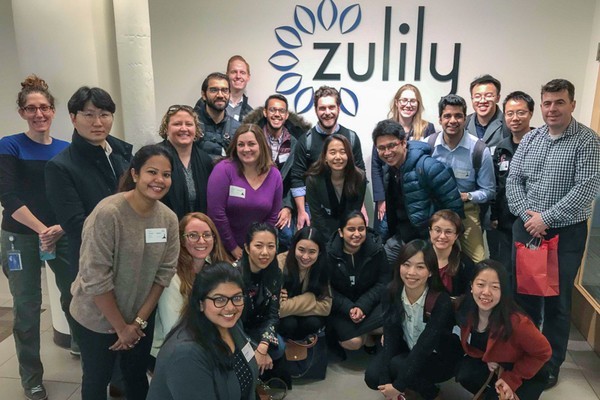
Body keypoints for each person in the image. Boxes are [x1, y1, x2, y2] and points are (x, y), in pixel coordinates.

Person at [506, 79, 600, 388]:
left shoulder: (587, 141)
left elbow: (586, 188)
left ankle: (551, 362)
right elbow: (514, 180)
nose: (552, 109)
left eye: (559, 102)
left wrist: (546, 218)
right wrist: (527, 216)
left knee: (558, 302)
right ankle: (526, 351)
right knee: (524, 296)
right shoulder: (532, 139)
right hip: (527, 227)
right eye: (547, 103)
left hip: (565, 232)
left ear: (572, 104)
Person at [69, 145, 180, 400]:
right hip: (97, 317)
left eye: (166, 174)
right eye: (152, 172)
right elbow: (95, 277)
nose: (159, 180)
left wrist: (138, 322)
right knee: (97, 380)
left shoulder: (169, 219)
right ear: (135, 174)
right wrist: (121, 327)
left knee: (136, 376)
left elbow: (164, 273)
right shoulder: (108, 213)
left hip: (139, 317)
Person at [0, 75, 70, 400]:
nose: (38, 114)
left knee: (78, 296)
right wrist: (41, 228)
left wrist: (60, 229)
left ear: (53, 110)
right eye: (31, 108)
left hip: (60, 236)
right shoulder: (9, 145)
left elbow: (74, 198)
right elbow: (8, 197)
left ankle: (87, 348)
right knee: (27, 309)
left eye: (44, 107)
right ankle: (32, 378)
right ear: (22, 112)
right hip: (20, 238)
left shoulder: (66, 150)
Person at [364, 240, 462, 400]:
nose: (411, 272)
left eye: (420, 267)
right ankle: (409, 385)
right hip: (407, 348)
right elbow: (390, 336)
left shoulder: (440, 300)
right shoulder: (391, 292)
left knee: (397, 366)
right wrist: (385, 382)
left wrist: (397, 386)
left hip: (438, 357)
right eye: (406, 265)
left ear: (431, 271)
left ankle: (433, 394)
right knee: (373, 376)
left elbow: (424, 347)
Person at [148, 263, 258, 400]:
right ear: (200, 303)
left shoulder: (232, 326)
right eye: (220, 300)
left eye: (237, 298)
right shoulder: (185, 354)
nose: (230, 307)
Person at [371, 119, 463, 268]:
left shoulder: (428, 166)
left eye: (391, 145)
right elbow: (392, 211)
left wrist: (444, 242)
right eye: (381, 148)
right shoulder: (388, 170)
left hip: (430, 239)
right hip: (402, 237)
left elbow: (454, 209)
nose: (387, 152)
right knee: (381, 264)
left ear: (403, 143)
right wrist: (379, 240)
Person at [456, 260, 552, 400]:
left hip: (524, 372)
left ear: (503, 291)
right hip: (495, 366)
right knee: (464, 373)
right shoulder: (466, 310)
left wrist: (512, 379)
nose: (486, 292)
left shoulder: (517, 322)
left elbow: (544, 352)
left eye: (495, 287)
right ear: (471, 286)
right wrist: (488, 357)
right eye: (480, 285)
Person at [151, 212, 231, 362]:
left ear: (214, 238)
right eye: (193, 235)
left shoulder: (218, 268)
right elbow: (173, 328)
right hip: (176, 349)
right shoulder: (171, 276)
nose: (201, 241)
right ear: (181, 240)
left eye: (207, 235)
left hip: (209, 342)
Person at [430, 94, 495, 263]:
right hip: (436, 210)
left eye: (458, 116)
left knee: (479, 262)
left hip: (466, 210)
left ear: (465, 119)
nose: (453, 120)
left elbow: (489, 190)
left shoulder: (479, 150)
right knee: (430, 260)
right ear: (440, 119)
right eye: (447, 116)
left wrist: (468, 196)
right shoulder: (429, 146)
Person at [290, 85, 365, 230]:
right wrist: (301, 211)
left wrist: (360, 209)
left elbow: (359, 174)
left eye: (331, 107)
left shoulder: (351, 137)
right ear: (316, 110)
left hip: (347, 204)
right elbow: (297, 177)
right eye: (322, 108)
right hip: (314, 206)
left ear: (339, 108)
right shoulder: (306, 141)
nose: (327, 112)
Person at [243, 94, 311, 250]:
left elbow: (298, 178)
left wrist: (288, 207)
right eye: (273, 110)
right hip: (255, 200)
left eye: (281, 111)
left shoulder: (297, 142)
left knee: (287, 235)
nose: (277, 114)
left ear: (286, 115)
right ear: (265, 112)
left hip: (284, 201)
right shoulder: (252, 140)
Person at [207, 124, 283, 260]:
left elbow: (272, 217)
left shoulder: (274, 175)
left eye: (251, 144)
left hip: (258, 252)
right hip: (224, 247)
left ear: (261, 145)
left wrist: (257, 248)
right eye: (241, 144)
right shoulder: (223, 170)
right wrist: (234, 248)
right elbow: (216, 213)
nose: (246, 149)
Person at [371, 84, 436, 240]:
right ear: (397, 102)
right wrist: (381, 199)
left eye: (413, 101)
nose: (408, 104)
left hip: (416, 194)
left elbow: (431, 163)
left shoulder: (427, 128)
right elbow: (376, 165)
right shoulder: (384, 128)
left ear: (418, 104)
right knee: (384, 239)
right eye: (404, 100)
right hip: (390, 192)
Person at [327, 211, 389, 353]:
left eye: (361, 229)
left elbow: (384, 281)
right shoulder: (329, 253)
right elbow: (326, 288)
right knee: (353, 342)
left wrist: (362, 305)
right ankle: (368, 338)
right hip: (341, 309)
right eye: (351, 229)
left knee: (393, 323)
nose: (357, 234)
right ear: (341, 232)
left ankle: (365, 335)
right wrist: (349, 307)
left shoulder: (377, 250)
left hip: (371, 304)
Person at [488, 92, 535, 273]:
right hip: (505, 221)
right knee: (504, 270)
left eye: (521, 112)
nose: (515, 118)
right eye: (510, 113)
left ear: (531, 113)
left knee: (527, 274)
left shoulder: (541, 144)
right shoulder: (502, 147)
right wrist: (494, 215)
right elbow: (496, 184)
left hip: (531, 224)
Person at [236, 223, 288, 384]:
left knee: (278, 346)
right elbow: (229, 323)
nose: (265, 252)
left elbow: (273, 314)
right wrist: (253, 347)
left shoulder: (275, 274)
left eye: (271, 246)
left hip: (256, 328)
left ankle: (258, 381)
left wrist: (263, 346)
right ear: (246, 247)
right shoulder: (233, 275)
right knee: (246, 354)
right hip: (234, 331)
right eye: (258, 246)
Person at [305, 134, 367, 240]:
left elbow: (354, 211)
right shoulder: (313, 179)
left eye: (343, 152)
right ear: (325, 157)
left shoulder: (359, 178)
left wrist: (344, 236)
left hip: (349, 231)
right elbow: (317, 215)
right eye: (332, 152)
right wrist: (332, 240)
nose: (338, 157)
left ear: (349, 155)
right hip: (322, 231)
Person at [157, 104, 214, 219]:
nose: (184, 129)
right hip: (164, 226)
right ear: (166, 128)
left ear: (196, 129)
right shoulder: (154, 157)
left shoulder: (206, 160)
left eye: (189, 124)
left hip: (198, 230)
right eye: (177, 124)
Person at [277, 226, 332, 340]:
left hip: (304, 318)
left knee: (313, 322)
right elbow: (278, 310)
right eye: (301, 250)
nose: (305, 257)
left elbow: (326, 307)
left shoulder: (322, 266)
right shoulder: (280, 263)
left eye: (312, 252)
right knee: (289, 323)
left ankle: (300, 344)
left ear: (319, 252)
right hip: (285, 320)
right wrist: (311, 299)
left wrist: (297, 302)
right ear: (294, 247)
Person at [193, 72, 241, 159]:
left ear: (229, 94)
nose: (220, 95)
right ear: (204, 95)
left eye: (224, 90)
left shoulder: (238, 129)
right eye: (214, 90)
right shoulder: (191, 125)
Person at [429, 210, 475, 298]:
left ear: (456, 235)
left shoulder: (465, 264)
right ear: (430, 231)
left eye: (448, 232)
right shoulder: (419, 258)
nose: (442, 236)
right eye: (437, 230)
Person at [464, 74, 510, 149]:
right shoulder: (464, 124)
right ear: (472, 99)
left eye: (488, 95)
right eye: (477, 96)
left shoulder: (508, 124)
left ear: (498, 98)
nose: (482, 101)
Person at [226, 55, 253, 122]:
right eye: (234, 72)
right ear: (227, 75)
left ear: (248, 77)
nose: (238, 76)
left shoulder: (251, 114)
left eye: (242, 72)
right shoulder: (211, 103)